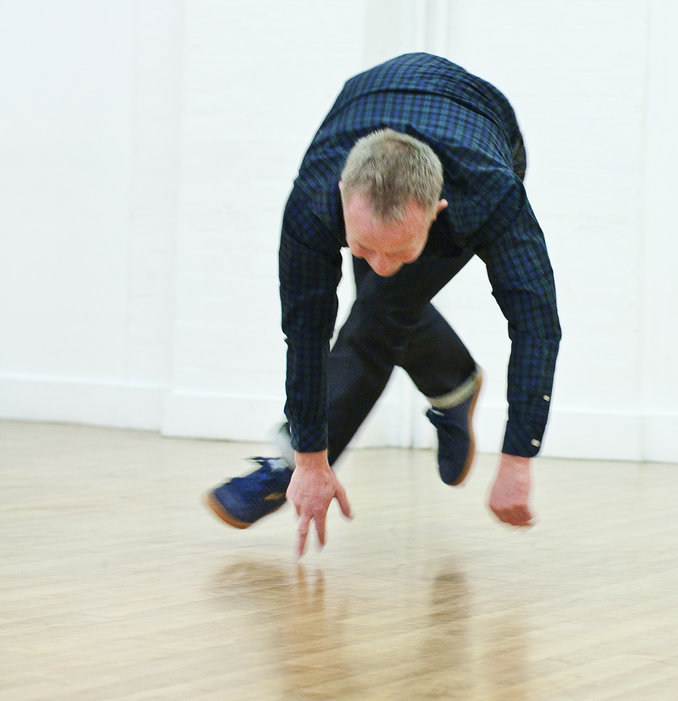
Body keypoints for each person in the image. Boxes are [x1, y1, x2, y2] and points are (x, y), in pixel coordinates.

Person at [206, 53, 561, 557]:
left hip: (484, 127)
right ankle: (452, 383)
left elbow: (536, 325)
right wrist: (311, 459)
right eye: (363, 248)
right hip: (364, 103)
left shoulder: (490, 195)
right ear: (342, 198)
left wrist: (518, 456)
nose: (381, 265)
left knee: (379, 310)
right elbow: (305, 333)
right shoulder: (312, 203)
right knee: (383, 305)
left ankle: (447, 385)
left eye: (401, 250)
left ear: (437, 212)